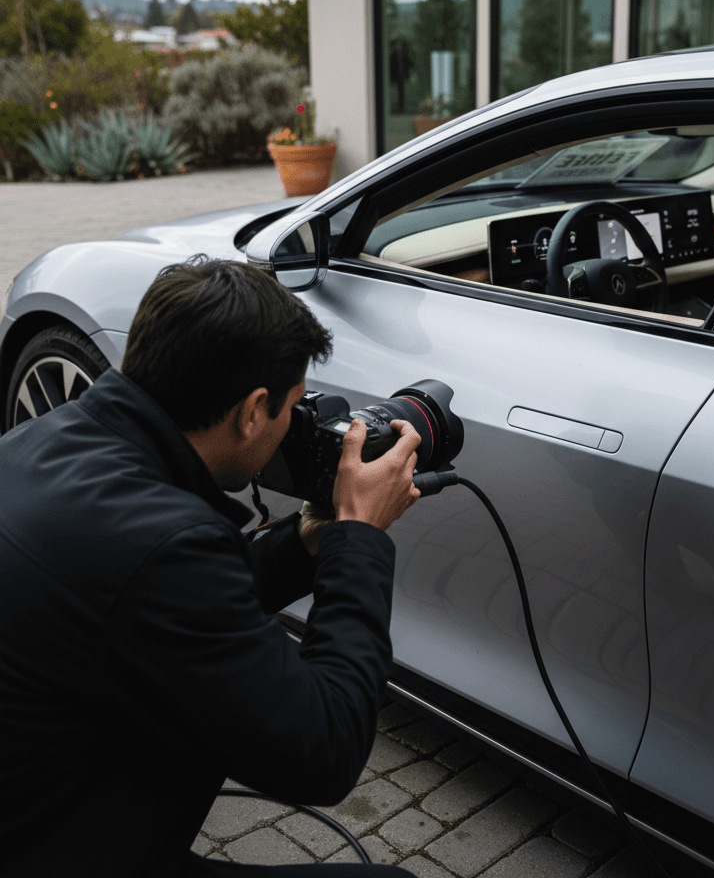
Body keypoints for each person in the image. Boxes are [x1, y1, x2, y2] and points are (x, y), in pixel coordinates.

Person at [0, 257, 421, 877]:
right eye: (292, 410)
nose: (289, 430)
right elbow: (324, 751)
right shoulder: (166, 545)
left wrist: (308, 538)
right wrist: (357, 537)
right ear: (253, 410)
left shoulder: (42, 439)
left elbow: (165, 601)